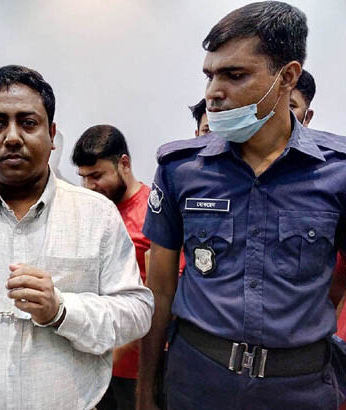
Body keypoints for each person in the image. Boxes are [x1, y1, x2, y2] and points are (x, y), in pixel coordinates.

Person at [0, 65, 154, 410]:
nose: (12, 137)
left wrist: (61, 310)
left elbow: (137, 311)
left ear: (52, 135)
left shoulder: (97, 216)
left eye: (28, 123)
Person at [136, 2, 346, 409]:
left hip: (298, 387)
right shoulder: (181, 169)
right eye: (210, 75)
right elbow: (159, 290)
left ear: (287, 76)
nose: (213, 92)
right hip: (198, 379)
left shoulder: (336, 172)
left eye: (235, 75)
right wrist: (146, 390)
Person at [72, 124, 150, 410]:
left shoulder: (153, 213)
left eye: (97, 176)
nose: (89, 186)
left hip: (136, 368)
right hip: (94, 360)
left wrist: (116, 356)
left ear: (124, 164)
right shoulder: (93, 212)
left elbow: (160, 299)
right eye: (83, 177)